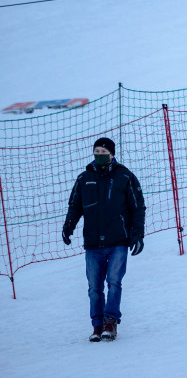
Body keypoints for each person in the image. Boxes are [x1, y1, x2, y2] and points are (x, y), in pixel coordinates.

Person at [62, 138, 146, 342]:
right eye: (96, 150)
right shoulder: (84, 179)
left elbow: (138, 207)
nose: (99, 154)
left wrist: (137, 233)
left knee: (114, 282)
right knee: (94, 287)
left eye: (103, 151)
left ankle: (110, 322)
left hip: (118, 240)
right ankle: (97, 325)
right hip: (93, 243)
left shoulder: (125, 176)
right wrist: (68, 227)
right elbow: (75, 206)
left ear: (112, 154)